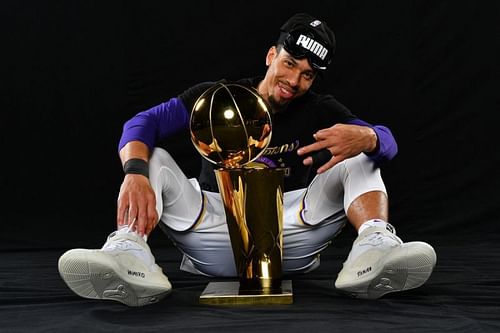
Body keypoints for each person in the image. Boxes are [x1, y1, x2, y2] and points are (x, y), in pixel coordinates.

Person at [58, 13, 436, 306]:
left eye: (307, 75)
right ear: (272, 55)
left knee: (362, 155)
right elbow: (143, 123)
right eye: (289, 64)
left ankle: (374, 251)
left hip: (287, 236)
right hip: (215, 226)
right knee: (150, 157)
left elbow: (387, 143)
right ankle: (129, 252)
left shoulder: (319, 109)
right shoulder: (218, 97)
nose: (294, 81)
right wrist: (135, 172)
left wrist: (369, 136)